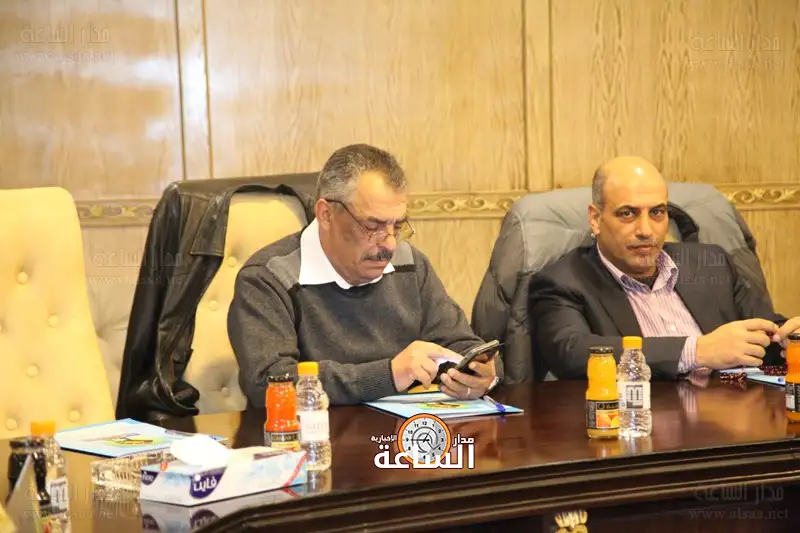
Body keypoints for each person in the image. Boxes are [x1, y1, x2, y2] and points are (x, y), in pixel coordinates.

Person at [228, 143, 502, 406]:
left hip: (402, 432)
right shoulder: (268, 279)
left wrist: (481, 374)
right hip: (315, 434)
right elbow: (270, 384)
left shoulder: (410, 264)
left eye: (397, 226)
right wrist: (388, 375)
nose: (390, 244)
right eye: (373, 226)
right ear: (326, 215)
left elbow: (460, 343)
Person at [527, 155, 800, 380]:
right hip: (640, 421)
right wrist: (697, 351)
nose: (646, 230)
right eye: (628, 213)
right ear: (596, 219)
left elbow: (765, 333)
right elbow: (572, 353)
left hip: (732, 414)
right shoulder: (561, 282)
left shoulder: (712, 263)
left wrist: (790, 340)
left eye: (657, 212)